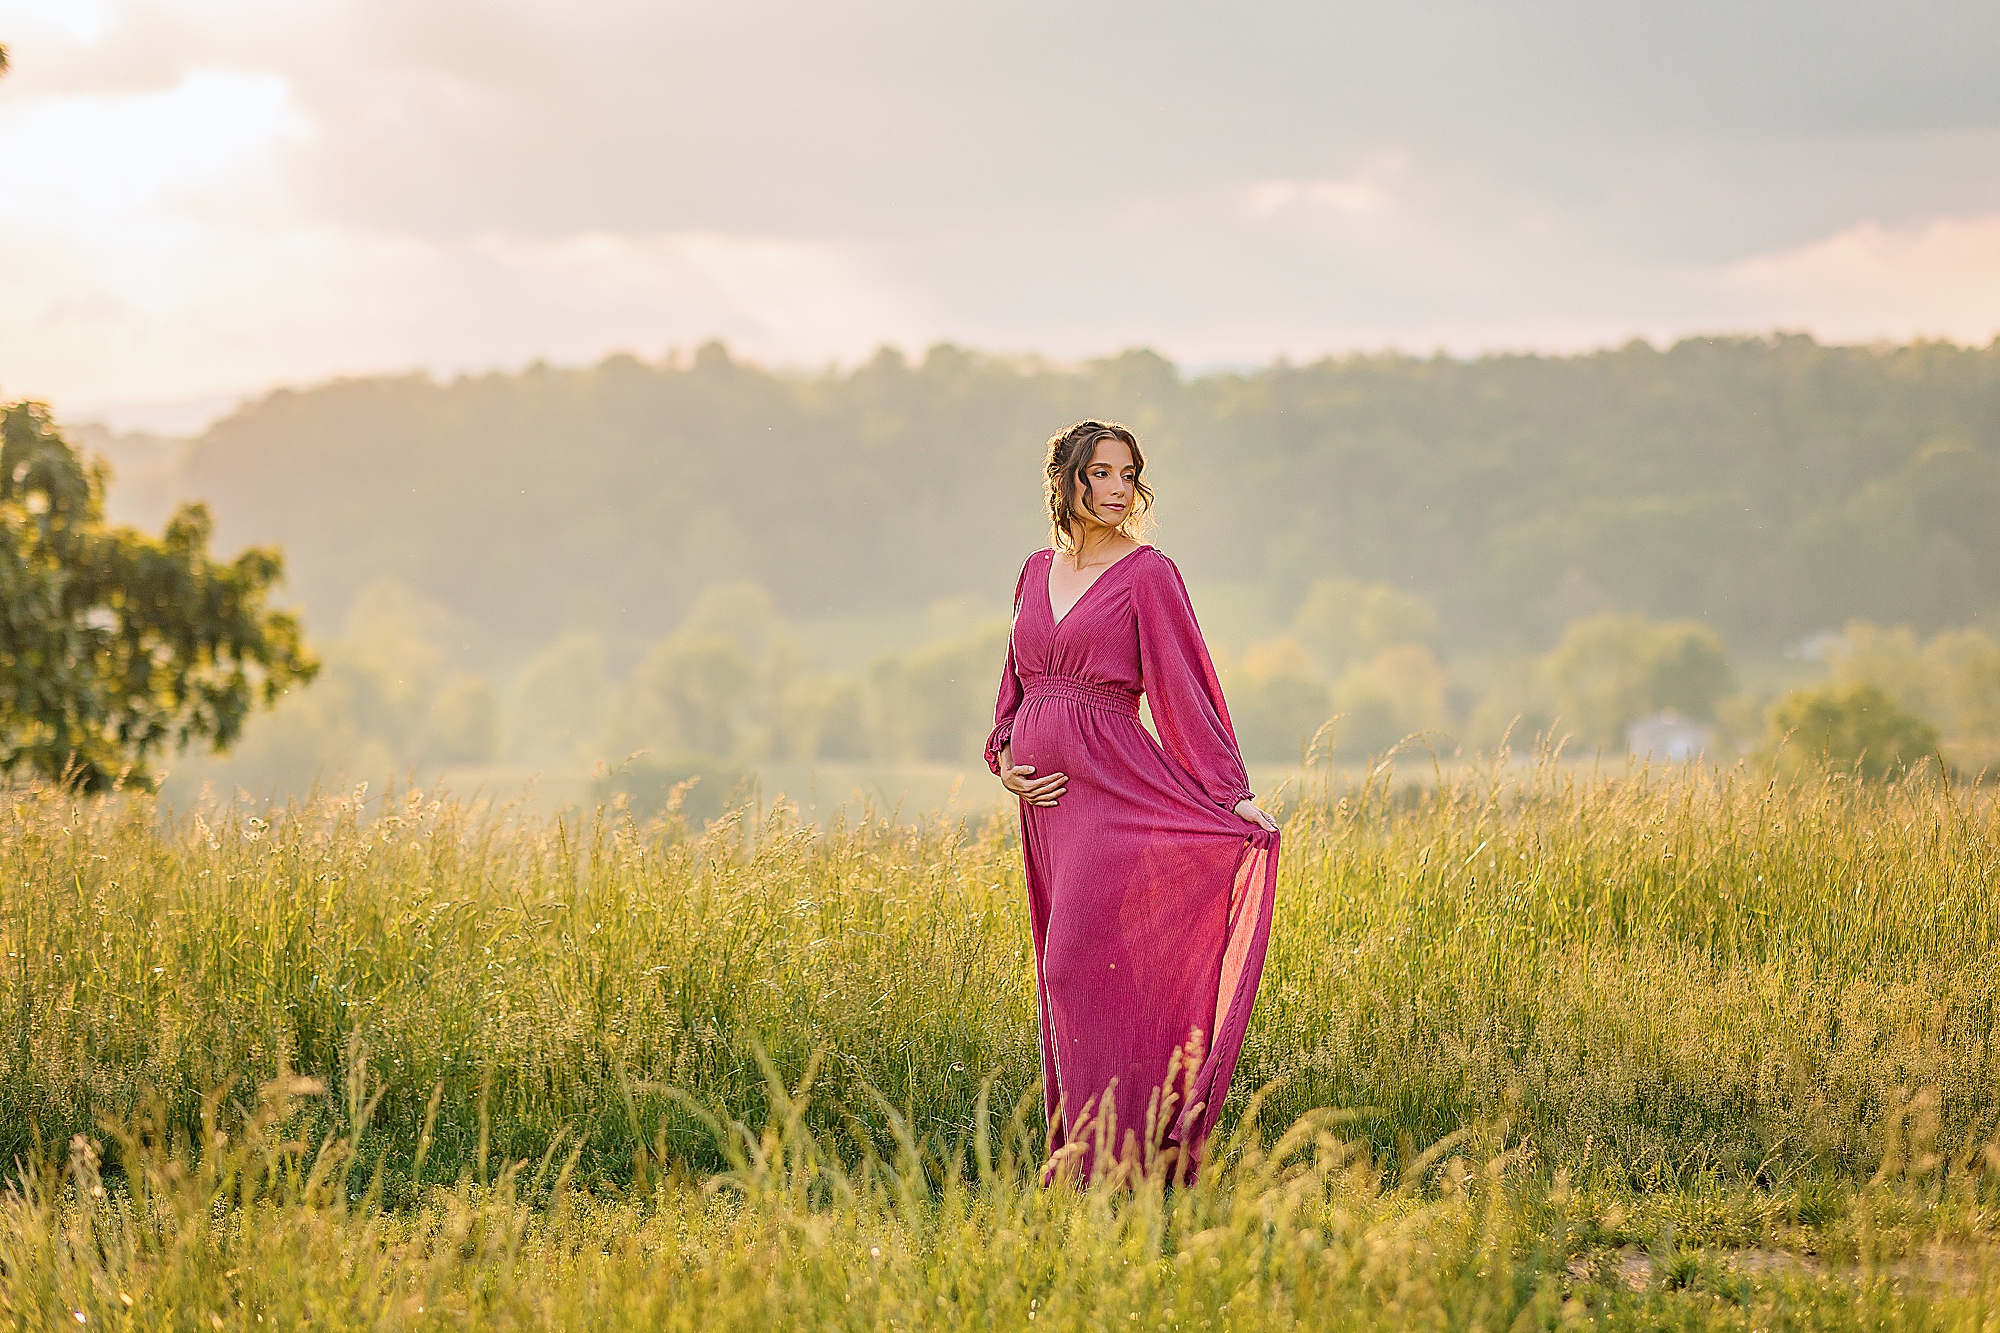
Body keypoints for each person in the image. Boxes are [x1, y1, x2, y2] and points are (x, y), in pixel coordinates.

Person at [987, 419, 1281, 1185]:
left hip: (1115, 791)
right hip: (1047, 808)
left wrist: (1231, 795)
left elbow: (1184, 687)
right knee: (1075, 976)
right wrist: (1006, 758)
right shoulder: (1032, 570)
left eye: (1128, 474)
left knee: (1072, 968)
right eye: (1103, 474)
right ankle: (1100, 1159)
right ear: (1068, 481)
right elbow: (1015, 686)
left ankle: (1098, 1164)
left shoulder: (1150, 573)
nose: (1119, 489)